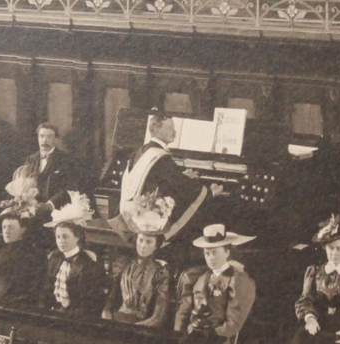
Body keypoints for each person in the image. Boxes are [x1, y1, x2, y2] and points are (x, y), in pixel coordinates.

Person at [110, 112, 223, 244]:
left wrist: (182, 176)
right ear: (157, 130)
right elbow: (184, 187)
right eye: (170, 128)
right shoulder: (161, 157)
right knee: (198, 204)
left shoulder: (141, 151)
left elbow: (157, 179)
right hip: (145, 222)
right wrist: (210, 192)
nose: (175, 132)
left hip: (130, 214)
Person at [291, 215, 340, 344]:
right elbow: (305, 300)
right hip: (316, 328)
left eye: (339, 248)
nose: (334, 253)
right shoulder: (314, 272)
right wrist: (310, 318)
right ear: (325, 248)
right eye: (330, 248)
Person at [0, 170, 46, 303]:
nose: (6, 231)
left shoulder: (33, 253)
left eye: (11, 227)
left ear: (22, 229)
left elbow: (36, 287)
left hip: (20, 305)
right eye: (4, 227)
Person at [174, 224, 256, 344]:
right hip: (193, 337)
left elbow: (234, 322)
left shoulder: (236, 280)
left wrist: (212, 335)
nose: (211, 258)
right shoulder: (202, 277)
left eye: (215, 253)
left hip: (218, 339)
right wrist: (181, 334)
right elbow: (185, 310)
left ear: (227, 253)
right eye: (207, 254)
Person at [102, 190, 174, 327]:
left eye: (148, 242)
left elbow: (159, 316)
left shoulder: (161, 272)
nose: (143, 246)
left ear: (156, 246)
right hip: (116, 321)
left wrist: (135, 331)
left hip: (142, 326)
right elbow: (110, 303)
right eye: (140, 240)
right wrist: (107, 317)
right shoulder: (124, 264)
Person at [41, 191, 106, 315]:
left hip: (76, 316)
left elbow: (91, 302)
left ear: (77, 237)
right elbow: (46, 291)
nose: (61, 241)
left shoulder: (88, 263)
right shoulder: (54, 258)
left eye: (65, 237)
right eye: (58, 237)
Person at [24, 123, 92, 203]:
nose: (44, 140)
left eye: (49, 137)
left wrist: (50, 204)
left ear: (55, 139)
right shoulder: (31, 159)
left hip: (54, 208)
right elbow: (24, 183)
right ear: (38, 138)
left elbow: (68, 188)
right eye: (41, 136)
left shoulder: (66, 159)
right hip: (32, 205)